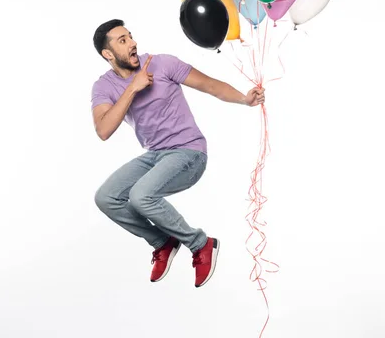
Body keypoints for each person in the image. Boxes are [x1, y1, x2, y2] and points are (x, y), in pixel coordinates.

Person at [91, 19, 265, 288]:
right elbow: (103, 130)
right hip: (155, 155)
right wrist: (133, 88)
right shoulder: (104, 87)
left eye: (131, 36)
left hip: (188, 152)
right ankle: (162, 241)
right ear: (108, 54)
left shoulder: (163, 64)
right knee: (106, 197)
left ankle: (201, 244)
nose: (133, 43)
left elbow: (209, 85)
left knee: (141, 196)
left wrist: (245, 98)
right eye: (122, 41)